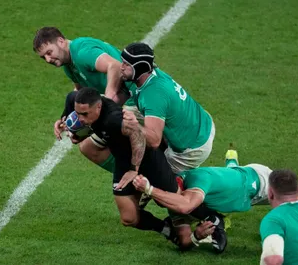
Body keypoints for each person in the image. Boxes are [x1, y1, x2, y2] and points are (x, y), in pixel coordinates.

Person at [73, 87, 221, 243]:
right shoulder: (75, 101)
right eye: (78, 113)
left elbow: (138, 136)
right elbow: (72, 108)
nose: (80, 119)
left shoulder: (114, 119)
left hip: (149, 159)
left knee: (177, 199)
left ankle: (214, 217)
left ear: (98, 107)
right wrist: (64, 122)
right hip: (124, 162)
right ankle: (166, 230)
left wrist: (134, 169)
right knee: (128, 218)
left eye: (84, 114)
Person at [33, 26, 137, 174]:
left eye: (49, 52)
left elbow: (114, 65)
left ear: (61, 41)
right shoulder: (68, 64)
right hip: (124, 100)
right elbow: (81, 92)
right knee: (88, 147)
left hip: (136, 99)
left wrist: (108, 102)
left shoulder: (82, 52)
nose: (48, 59)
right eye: (43, 57)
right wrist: (65, 119)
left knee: (117, 135)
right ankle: (133, 177)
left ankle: (144, 176)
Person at [133, 148, 267, 252]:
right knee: (228, 177)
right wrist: (196, 236)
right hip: (236, 195)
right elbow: (184, 241)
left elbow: (186, 206)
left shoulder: (198, 178)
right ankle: (232, 162)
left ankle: (218, 219)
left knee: (285, 201)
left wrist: (149, 190)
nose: (166, 203)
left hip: (259, 181)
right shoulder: (174, 203)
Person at [120, 42, 215, 174]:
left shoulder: (153, 95)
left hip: (192, 148)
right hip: (201, 123)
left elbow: (153, 140)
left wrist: (134, 126)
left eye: (126, 64)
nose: (121, 67)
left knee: (150, 180)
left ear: (139, 67)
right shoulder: (152, 76)